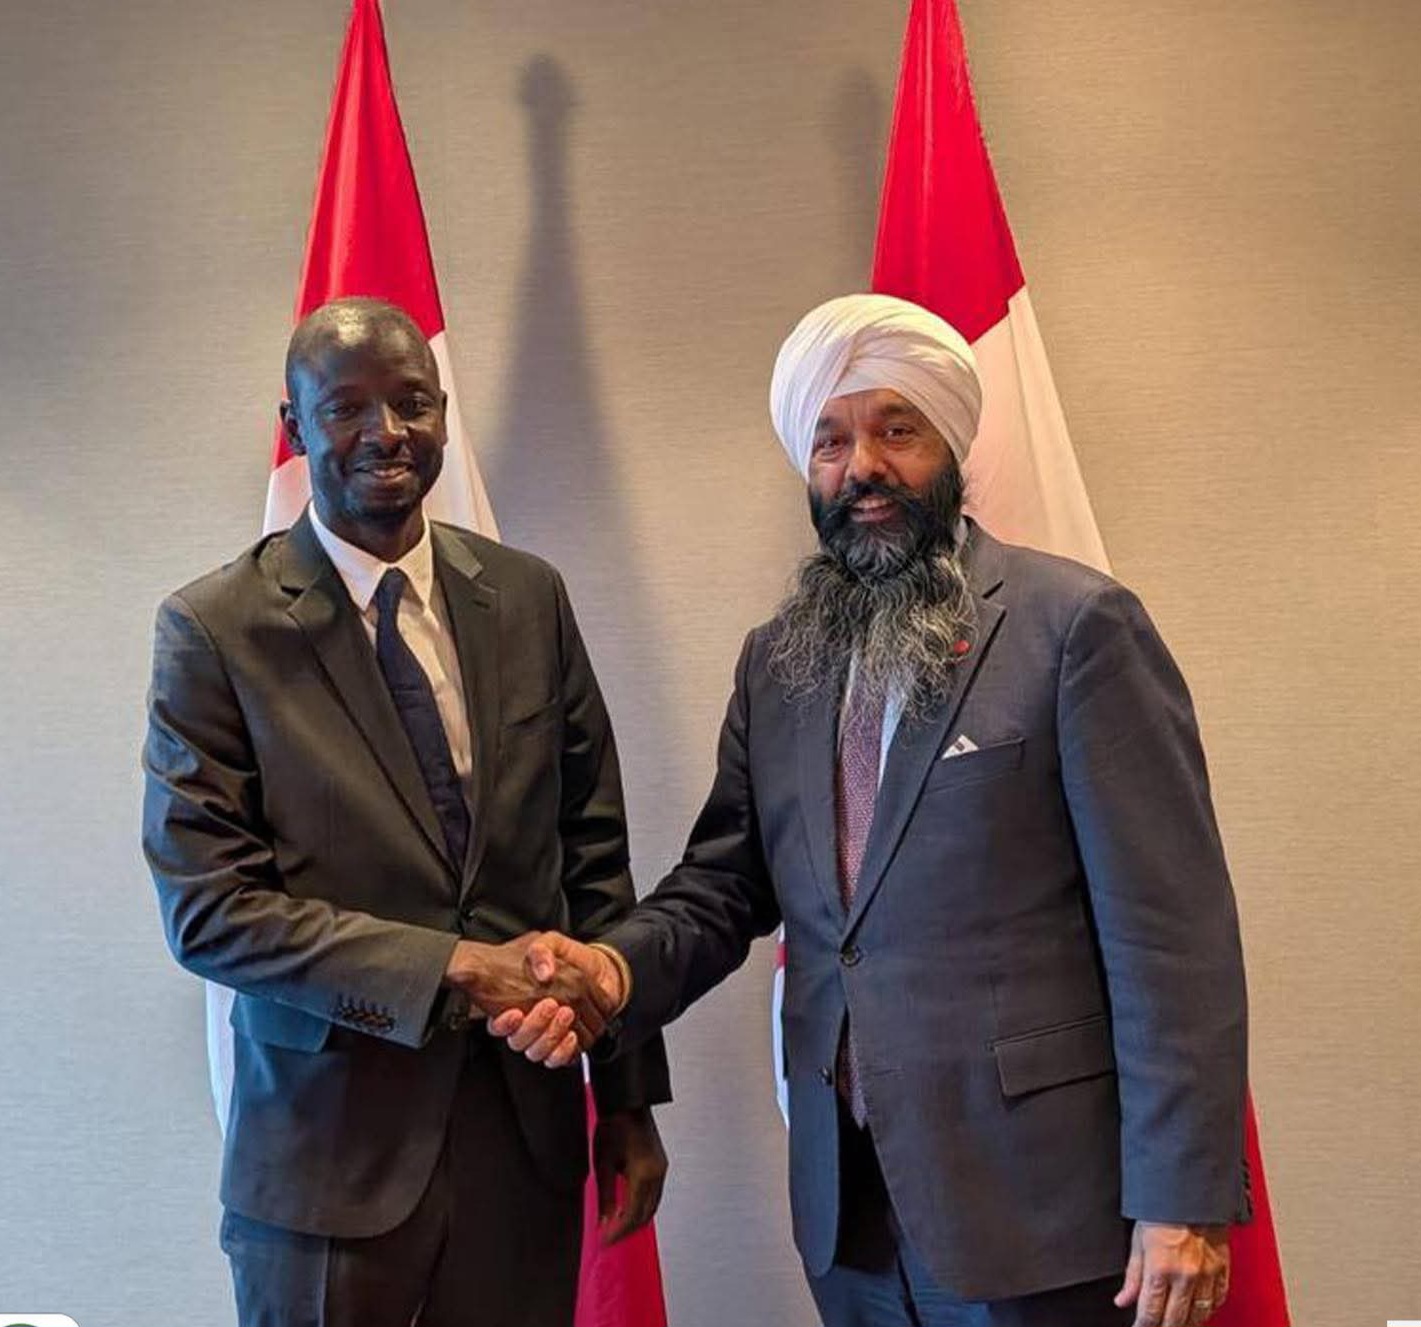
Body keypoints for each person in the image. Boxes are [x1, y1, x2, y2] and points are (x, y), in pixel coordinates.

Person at [493, 294, 1250, 1327]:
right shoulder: (777, 662)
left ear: (950, 448)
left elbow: (1170, 933)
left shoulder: (1073, 627)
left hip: (1040, 1208)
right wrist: (611, 971)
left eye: (897, 431)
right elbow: (724, 883)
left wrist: (1179, 1196)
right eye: (831, 442)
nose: (863, 468)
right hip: (849, 1210)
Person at [142, 297, 669, 1327]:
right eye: (346, 407)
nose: (385, 432)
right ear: (294, 427)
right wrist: (456, 967)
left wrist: (627, 1095)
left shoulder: (527, 597)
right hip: (327, 1165)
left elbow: (594, 858)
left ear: (441, 415)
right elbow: (210, 912)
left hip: (523, 1147)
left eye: (411, 403)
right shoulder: (215, 631)